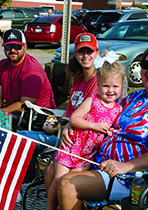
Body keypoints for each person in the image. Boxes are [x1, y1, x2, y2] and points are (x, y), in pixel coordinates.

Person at [44, 41, 148, 210]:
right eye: (146, 64)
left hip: (129, 177)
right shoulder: (136, 96)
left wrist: (127, 166)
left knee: (68, 184)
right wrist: (73, 126)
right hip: (96, 160)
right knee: (51, 172)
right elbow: (102, 113)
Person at [16, 32, 99, 183]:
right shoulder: (79, 80)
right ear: (76, 54)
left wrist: (57, 127)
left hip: (72, 139)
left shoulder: (97, 82)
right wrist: (53, 122)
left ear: (96, 53)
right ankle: (26, 184)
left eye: (89, 51)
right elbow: (69, 111)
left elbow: (87, 116)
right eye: (81, 51)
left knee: (21, 141)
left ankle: (25, 186)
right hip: (62, 130)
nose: (85, 55)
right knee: (17, 134)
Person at [46, 51, 126, 210]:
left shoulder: (119, 109)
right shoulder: (93, 100)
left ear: (122, 86)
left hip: (88, 154)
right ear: (99, 85)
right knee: (58, 179)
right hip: (72, 146)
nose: (110, 91)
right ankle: (49, 207)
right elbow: (75, 118)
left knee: (70, 181)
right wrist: (94, 126)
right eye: (105, 86)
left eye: (115, 86)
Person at [0, 28, 56, 131]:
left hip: (38, 116)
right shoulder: (2, 65)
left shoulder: (32, 70)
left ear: (25, 47)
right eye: (8, 47)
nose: (13, 50)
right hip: (15, 112)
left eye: (17, 46)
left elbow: (24, 105)